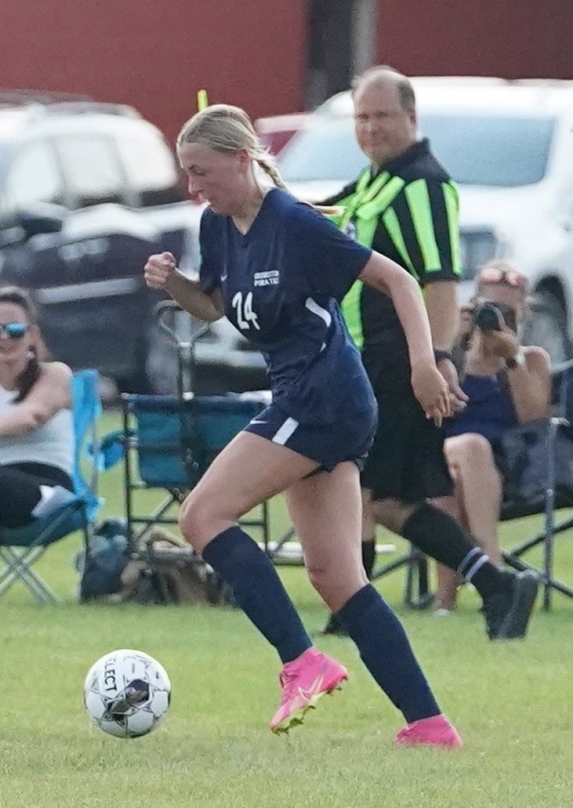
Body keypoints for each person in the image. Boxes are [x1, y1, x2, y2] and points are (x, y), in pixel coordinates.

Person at [143, 103, 461, 747]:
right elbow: (212, 306)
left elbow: (398, 280)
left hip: (325, 398)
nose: (192, 187)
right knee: (336, 577)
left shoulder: (293, 222)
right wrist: (175, 283)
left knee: (202, 516)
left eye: (201, 171)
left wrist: (425, 366)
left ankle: (303, 661)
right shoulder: (217, 225)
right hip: (309, 398)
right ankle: (430, 724)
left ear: (241, 158)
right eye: (186, 173)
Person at [318, 66, 539, 639]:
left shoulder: (423, 184)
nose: (370, 128)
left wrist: (436, 357)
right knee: (389, 499)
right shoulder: (376, 180)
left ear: (411, 118)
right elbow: (316, 215)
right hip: (368, 360)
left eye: (382, 116)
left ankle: (350, 618)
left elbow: (441, 280)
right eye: (362, 118)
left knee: (356, 484)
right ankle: (498, 587)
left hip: (396, 363)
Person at [433, 262, 552, 612]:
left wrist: (511, 358)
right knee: (469, 448)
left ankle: (446, 602)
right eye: (490, 309)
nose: (497, 318)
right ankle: (494, 571)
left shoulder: (532, 360)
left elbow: (534, 422)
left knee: (453, 483)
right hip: (441, 453)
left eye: (507, 311)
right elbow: (430, 412)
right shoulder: (451, 356)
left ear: (524, 311)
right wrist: (454, 342)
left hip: (507, 467)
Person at [0, 285, 76, 602]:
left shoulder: (55, 375)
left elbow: (33, 415)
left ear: (32, 335)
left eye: (15, 330)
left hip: (45, 492)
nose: (4, 339)